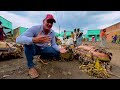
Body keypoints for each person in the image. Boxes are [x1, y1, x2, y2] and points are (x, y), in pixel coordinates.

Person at [16, 14, 67, 78]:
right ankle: (31, 67)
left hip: (43, 49)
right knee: (27, 44)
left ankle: (42, 57)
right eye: (48, 21)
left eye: (51, 23)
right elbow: (18, 39)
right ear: (43, 21)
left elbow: (53, 44)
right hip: (34, 48)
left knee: (56, 52)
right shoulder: (35, 28)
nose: (50, 24)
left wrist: (59, 49)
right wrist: (34, 39)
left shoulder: (52, 32)